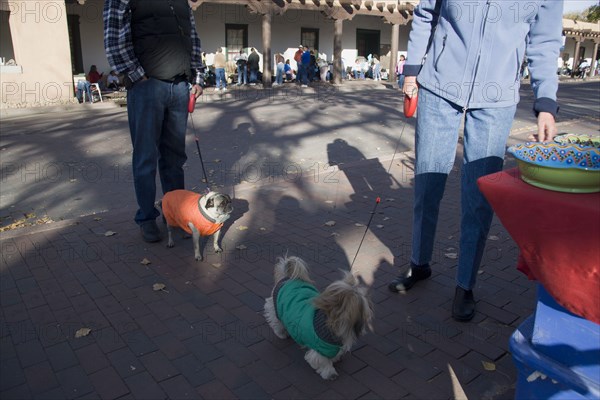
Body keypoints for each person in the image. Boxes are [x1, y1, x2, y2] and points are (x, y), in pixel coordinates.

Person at [387, 0, 562, 322]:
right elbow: (427, 13)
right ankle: (419, 263)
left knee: (479, 199)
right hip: (439, 87)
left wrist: (546, 101)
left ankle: (465, 284)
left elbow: (544, 41)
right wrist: (412, 70)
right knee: (427, 186)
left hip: (497, 99)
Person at [104, 0, 203, 243]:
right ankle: (146, 217)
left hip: (180, 86)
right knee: (145, 157)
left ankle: (174, 214)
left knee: (174, 158)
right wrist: (139, 75)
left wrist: (198, 75)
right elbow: (113, 38)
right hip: (147, 87)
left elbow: (192, 36)